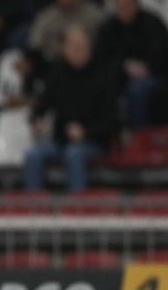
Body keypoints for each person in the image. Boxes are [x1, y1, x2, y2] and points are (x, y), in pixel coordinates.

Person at [23, 26, 117, 192]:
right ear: (64, 49)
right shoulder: (57, 75)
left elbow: (111, 122)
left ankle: (76, 210)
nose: (77, 51)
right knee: (33, 155)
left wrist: (85, 132)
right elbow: (41, 106)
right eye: (73, 46)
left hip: (94, 142)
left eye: (81, 46)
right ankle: (34, 209)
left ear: (90, 48)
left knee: (73, 154)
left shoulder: (104, 76)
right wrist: (37, 120)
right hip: (61, 141)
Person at [93, 0, 168, 127]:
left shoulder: (153, 23)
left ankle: (139, 136)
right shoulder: (107, 29)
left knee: (138, 88)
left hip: (154, 76)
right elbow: (100, 60)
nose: (124, 6)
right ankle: (108, 136)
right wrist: (124, 67)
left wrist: (146, 68)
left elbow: (166, 57)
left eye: (128, 2)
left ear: (137, 1)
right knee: (101, 86)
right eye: (119, 2)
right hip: (118, 78)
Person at [21, 0, 104, 86]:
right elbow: (34, 46)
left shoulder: (96, 16)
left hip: (88, 66)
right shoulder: (46, 17)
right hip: (52, 67)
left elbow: (104, 44)